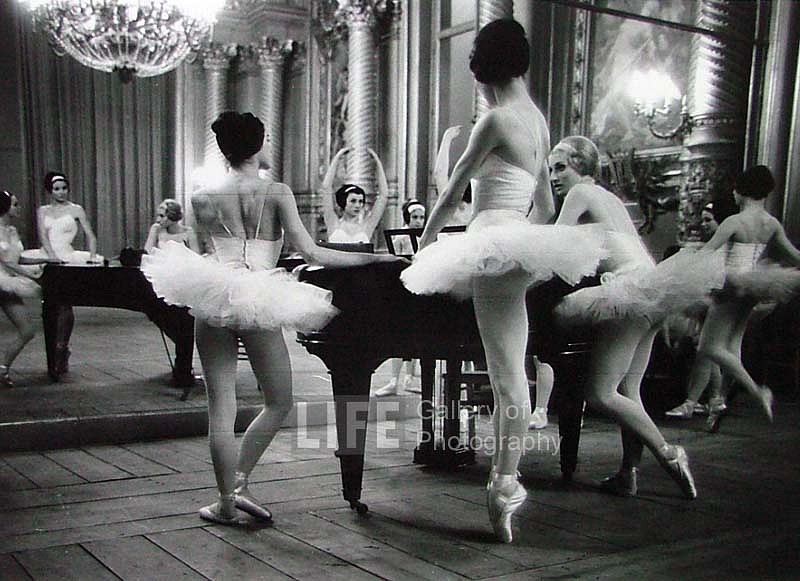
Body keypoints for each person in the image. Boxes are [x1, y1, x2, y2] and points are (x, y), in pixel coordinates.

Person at [142, 111, 403, 526]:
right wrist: (376, 257)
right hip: (260, 296)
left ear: (224, 149)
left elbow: (203, 251)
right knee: (279, 401)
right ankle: (238, 484)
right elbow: (314, 253)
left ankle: (228, 499)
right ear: (260, 144)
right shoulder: (277, 191)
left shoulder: (202, 197)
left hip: (214, 292)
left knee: (221, 411)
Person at [401, 20, 607, 543]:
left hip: (491, 239)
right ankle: (505, 481)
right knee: (511, 369)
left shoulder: (493, 120)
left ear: (482, 68)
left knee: (505, 374)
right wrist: (530, 243)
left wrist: (424, 244)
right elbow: (544, 202)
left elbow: (451, 192)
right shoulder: (537, 121)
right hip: (517, 240)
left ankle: (503, 483)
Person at [552, 136, 723, 501]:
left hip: (629, 293)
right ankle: (628, 473)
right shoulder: (610, 198)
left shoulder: (579, 194)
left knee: (599, 393)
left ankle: (669, 453)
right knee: (629, 391)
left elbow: (555, 247)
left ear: (581, 166)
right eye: (551, 168)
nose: (553, 176)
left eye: (560, 167)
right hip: (651, 287)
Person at [684, 165, 800, 424]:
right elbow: (794, 255)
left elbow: (708, 252)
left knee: (709, 346)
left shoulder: (734, 221)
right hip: (755, 287)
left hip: (730, 286)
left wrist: (685, 259)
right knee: (732, 345)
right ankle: (719, 399)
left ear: (740, 191)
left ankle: (758, 391)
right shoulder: (771, 223)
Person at [22, 172, 102, 375]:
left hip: (69, 257)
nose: (61, 192)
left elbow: (90, 235)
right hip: (49, 257)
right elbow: (43, 237)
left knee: (67, 304)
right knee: (52, 304)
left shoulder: (76, 209)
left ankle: (62, 347)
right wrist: (51, 257)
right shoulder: (43, 211)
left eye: (64, 188)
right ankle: (54, 353)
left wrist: (92, 256)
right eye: (57, 189)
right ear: (50, 190)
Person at [375, 198, 427, 397]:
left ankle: (411, 378)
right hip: (401, 288)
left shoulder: (425, 236)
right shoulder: (400, 238)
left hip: (420, 287)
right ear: (408, 218)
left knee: (418, 335)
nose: (419, 221)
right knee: (399, 335)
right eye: (415, 217)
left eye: (422, 217)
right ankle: (394, 381)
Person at [0, 190, 42, 387]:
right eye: (15, 204)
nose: (18, 208)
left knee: (27, 330)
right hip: (4, 280)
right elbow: (7, 262)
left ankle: (2, 369)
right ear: (5, 207)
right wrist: (29, 275)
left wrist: (46, 259)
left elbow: (18, 258)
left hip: (7, 283)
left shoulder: (12, 231)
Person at [321, 147, 389, 244]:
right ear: (343, 202)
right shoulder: (333, 223)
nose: (357, 205)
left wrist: (378, 163)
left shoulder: (367, 226)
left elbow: (383, 195)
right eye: (353, 201)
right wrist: (338, 157)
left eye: (360, 201)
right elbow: (326, 187)